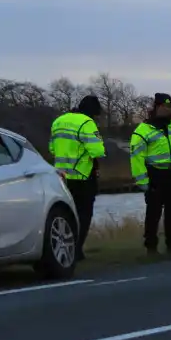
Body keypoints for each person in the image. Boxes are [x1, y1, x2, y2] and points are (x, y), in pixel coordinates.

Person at [129, 93, 171, 255]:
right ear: (158, 107)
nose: (170, 110)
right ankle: (151, 246)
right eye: (167, 107)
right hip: (155, 174)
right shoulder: (144, 130)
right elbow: (136, 158)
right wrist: (143, 182)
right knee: (153, 212)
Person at [49, 95, 105, 260]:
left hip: (61, 176)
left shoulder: (58, 121)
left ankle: (65, 248)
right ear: (92, 112)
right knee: (84, 213)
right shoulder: (87, 123)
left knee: (65, 214)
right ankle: (77, 250)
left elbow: (52, 148)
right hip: (82, 175)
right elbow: (97, 151)